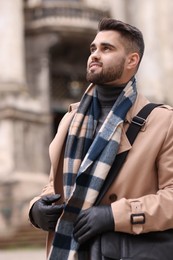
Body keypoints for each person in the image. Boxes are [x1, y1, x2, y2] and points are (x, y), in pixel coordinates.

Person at [29, 18, 173, 259]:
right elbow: (55, 185)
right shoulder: (70, 120)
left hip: (124, 251)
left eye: (107, 48)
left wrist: (114, 215)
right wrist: (37, 209)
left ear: (132, 60)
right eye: (93, 48)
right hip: (70, 251)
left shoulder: (163, 121)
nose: (95, 54)